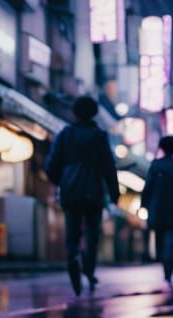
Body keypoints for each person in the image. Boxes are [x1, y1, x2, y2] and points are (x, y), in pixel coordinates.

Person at [44, 95, 119, 296]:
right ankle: (89, 269)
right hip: (94, 191)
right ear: (94, 113)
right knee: (93, 234)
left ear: (74, 113)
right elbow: (108, 167)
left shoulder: (65, 135)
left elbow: (52, 164)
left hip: (71, 190)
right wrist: (114, 193)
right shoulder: (99, 136)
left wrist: (62, 180)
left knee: (73, 231)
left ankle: (72, 259)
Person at [142, 135, 173, 285]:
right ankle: (168, 269)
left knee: (160, 238)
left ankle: (165, 265)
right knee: (171, 240)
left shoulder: (156, 166)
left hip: (157, 209)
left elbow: (148, 188)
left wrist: (144, 205)